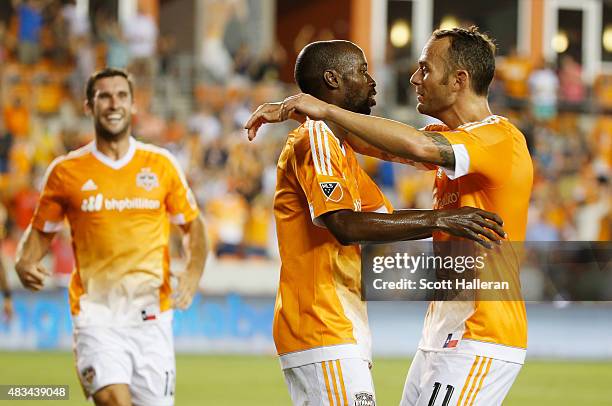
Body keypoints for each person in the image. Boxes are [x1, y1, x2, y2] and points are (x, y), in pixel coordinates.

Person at [246, 26, 533, 406]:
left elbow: (412, 145)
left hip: (482, 331)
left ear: (459, 80)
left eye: (425, 69)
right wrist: (307, 112)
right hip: (443, 332)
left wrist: (323, 109)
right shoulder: (452, 140)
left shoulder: (499, 140)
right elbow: (373, 140)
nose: (414, 78)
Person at [15, 68, 208, 406]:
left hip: (152, 318)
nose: (113, 103)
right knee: (112, 400)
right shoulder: (65, 172)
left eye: (121, 95)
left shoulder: (161, 164)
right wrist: (24, 260)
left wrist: (192, 272)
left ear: (133, 105)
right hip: (95, 316)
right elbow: (40, 233)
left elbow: (194, 225)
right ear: (90, 106)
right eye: (104, 96)